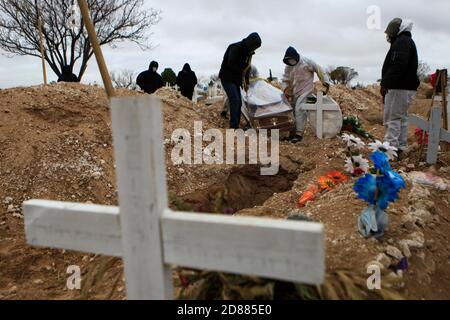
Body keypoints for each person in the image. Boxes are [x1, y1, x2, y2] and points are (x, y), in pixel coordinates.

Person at [381, 18, 420, 157]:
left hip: (399, 86)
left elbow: (398, 65)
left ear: (396, 31)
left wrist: (385, 84)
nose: (388, 36)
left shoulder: (401, 42)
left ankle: (389, 151)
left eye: (390, 33)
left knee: (392, 118)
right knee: (401, 118)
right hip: (406, 86)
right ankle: (401, 148)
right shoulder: (406, 41)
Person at [282, 46, 330, 143]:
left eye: (292, 59)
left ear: (296, 57)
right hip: (294, 91)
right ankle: (292, 133)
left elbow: (319, 69)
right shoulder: (288, 67)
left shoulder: (307, 62)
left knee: (300, 109)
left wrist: (325, 82)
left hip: (307, 90)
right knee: (292, 112)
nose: (291, 62)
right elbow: (285, 79)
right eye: (289, 60)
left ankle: (299, 134)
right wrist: (286, 89)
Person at [219, 32, 262, 129]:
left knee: (239, 102)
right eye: (254, 46)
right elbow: (231, 63)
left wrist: (246, 81)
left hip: (235, 80)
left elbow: (247, 68)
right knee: (235, 100)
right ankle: (233, 126)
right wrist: (241, 72)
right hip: (227, 78)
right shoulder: (236, 47)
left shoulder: (248, 53)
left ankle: (235, 125)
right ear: (250, 43)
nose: (254, 49)